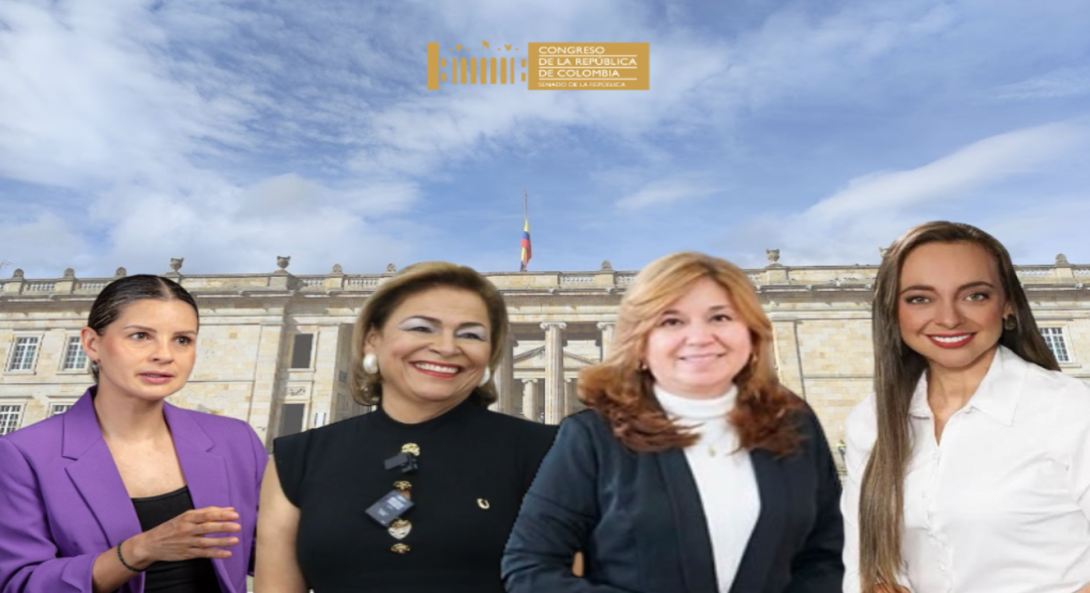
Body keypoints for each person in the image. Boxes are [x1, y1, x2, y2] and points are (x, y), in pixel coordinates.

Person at [503, 251, 844, 593]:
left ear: (751, 331)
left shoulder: (794, 423)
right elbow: (531, 567)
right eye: (671, 321)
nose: (699, 337)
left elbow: (823, 557)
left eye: (721, 317)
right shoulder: (592, 437)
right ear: (641, 341)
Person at [255, 261, 557, 593]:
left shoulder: (552, 453)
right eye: (420, 327)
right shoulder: (297, 459)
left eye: (471, 334)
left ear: (490, 352)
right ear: (372, 339)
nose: (446, 347)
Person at [842, 221, 1090, 593]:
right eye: (920, 298)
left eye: (974, 295)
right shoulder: (871, 420)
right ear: (893, 312)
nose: (949, 318)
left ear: (1007, 305)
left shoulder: (1070, 408)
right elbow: (861, 560)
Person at [0, 275, 267, 593]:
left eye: (182, 339)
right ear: (92, 344)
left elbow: (272, 553)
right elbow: (18, 583)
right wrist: (139, 550)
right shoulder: (23, 454)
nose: (164, 355)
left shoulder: (235, 439)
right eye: (141, 336)